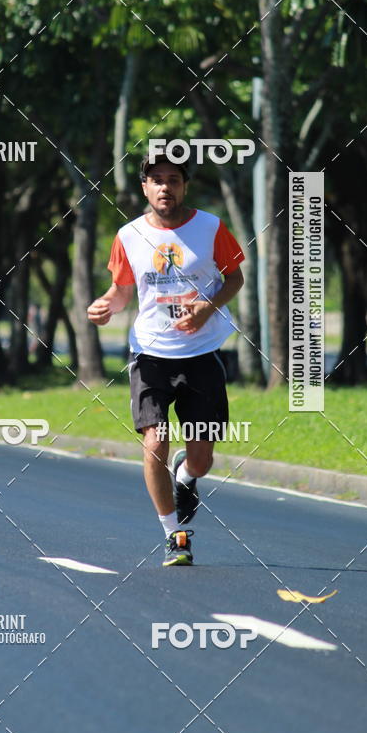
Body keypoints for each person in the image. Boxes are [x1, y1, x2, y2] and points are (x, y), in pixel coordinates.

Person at [87, 150, 244, 566]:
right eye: (156, 179)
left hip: (202, 353)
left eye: (173, 179)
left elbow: (235, 278)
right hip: (150, 355)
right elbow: (121, 290)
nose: (164, 187)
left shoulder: (210, 228)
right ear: (145, 187)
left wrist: (208, 307)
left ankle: (187, 475)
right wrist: (105, 304)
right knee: (155, 441)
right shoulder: (128, 235)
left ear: (184, 185)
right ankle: (174, 534)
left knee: (202, 459)